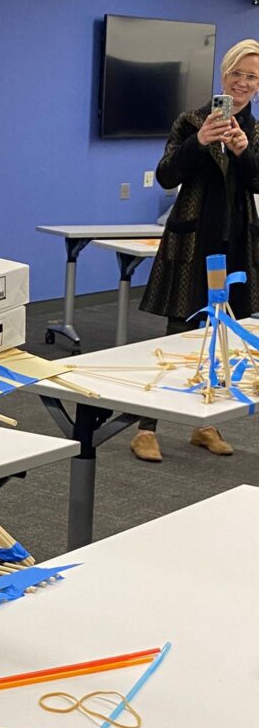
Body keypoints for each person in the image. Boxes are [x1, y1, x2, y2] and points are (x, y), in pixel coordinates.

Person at [131, 38, 259, 462]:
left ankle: (204, 423)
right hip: (192, 242)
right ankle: (145, 427)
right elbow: (167, 175)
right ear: (224, 77)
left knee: (219, 338)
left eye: (252, 77)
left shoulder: (255, 131)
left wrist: (243, 153)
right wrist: (198, 142)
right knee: (177, 334)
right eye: (237, 74)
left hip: (234, 244)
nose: (242, 84)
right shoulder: (190, 120)